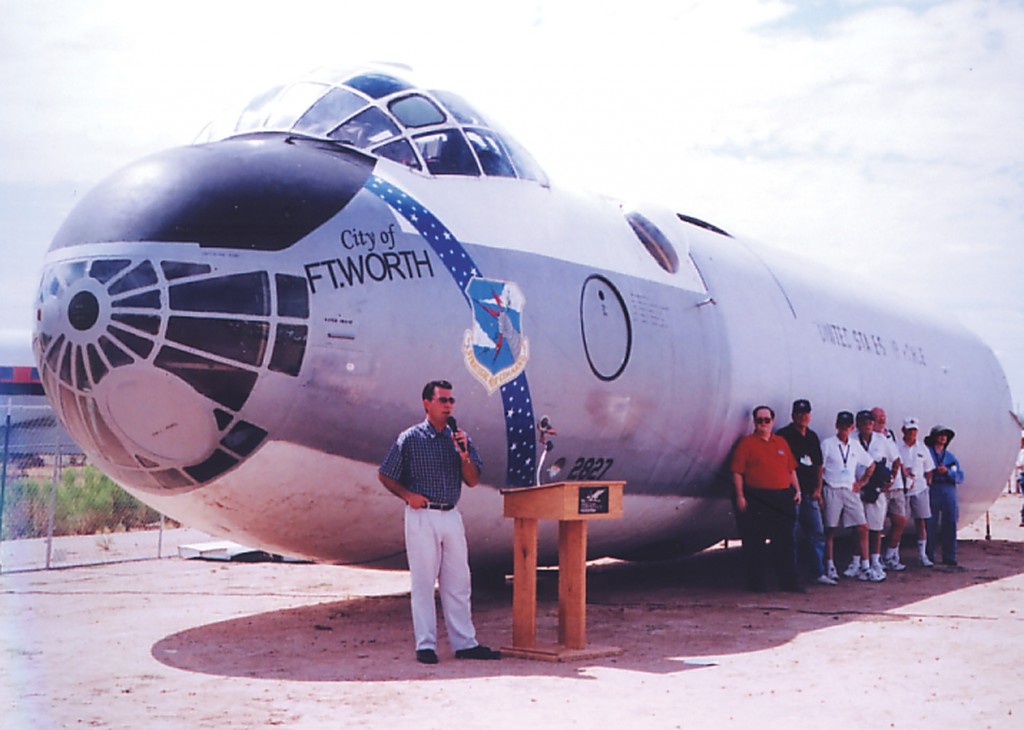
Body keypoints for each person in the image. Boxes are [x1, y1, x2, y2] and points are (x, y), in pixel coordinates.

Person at [378, 379, 501, 664]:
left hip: (451, 515)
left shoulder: (460, 438)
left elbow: (472, 480)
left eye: (451, 401)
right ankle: (426, 644)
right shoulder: (410, 439)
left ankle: (465, 643)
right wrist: (408, 495)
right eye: (442, 400)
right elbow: (385, 474)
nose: (448, 405)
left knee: (458, 581)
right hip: (423, 516)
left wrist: (464, 454)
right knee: (423, 581)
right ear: (427, 404)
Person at [730, 405, 803, 592]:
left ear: (773, 421)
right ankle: (757, 585)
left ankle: (789, 584)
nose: (763, 424)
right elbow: (737, 472)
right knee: (755, 544)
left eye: (767, 420)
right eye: (759, 420)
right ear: (754, 423)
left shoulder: (781, 443)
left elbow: (791, 469)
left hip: (782, 498)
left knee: (785, 543)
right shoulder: (746, 444)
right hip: (757, 498)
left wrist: (798, 490)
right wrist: (740, 496)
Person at [777, 399, 834, 586]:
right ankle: (790, 575)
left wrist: (818, 489)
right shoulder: (783, 436)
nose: (803, 416)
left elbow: (818, 465)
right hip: (791, 494)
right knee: (789, 535)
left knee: (816, 532)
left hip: (810, 494)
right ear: (793, 415)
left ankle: (818, 572)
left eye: (806, 413)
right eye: (799, 413)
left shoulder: (812, 436)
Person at [820, 410, 881, 582]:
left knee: (862, 526)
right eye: (842, 426)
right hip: (832, 489)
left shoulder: (855, 445)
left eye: (848, 426)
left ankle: (866, 566)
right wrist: (820, 490)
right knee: (830, 529)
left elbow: (871, 464)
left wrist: (861, 483)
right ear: (837, 426)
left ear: (852, 427)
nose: (845, 429)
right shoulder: (828, 444)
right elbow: (820, 469)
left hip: (850, 490)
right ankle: (830, 566)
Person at [869, 407, 906, 572]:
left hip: (895, 485)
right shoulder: (870, 438)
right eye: (877, 417)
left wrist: (900, 476)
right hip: (880, 487)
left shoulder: (890, 435)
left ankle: (891, 554)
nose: (881, 420)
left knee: (900, 520)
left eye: (883, 416)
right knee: (877, 523)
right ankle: (874, 557)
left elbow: (898, 459)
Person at [896, 417, 936, 566]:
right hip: (903, 490)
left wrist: (927, 483)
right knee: (899, 523)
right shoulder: (897, 447)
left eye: (914, 430)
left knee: (921, 522)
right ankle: (895, 555)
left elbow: (929, 469)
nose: (912, 433)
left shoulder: (922, 448)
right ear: (903, 431)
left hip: (920, 489)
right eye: (909, 430)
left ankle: (922, 555)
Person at [925, 425, 964, 567]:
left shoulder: (950, 457)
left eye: (945, 435)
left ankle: (950, 556)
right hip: (932, 488)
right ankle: (928, 555)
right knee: (930, 523)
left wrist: (947, 472)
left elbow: (960, 476)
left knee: (950, 522)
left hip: (948, 490)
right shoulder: (927, 454)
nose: (943, 437)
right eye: (940, 434)